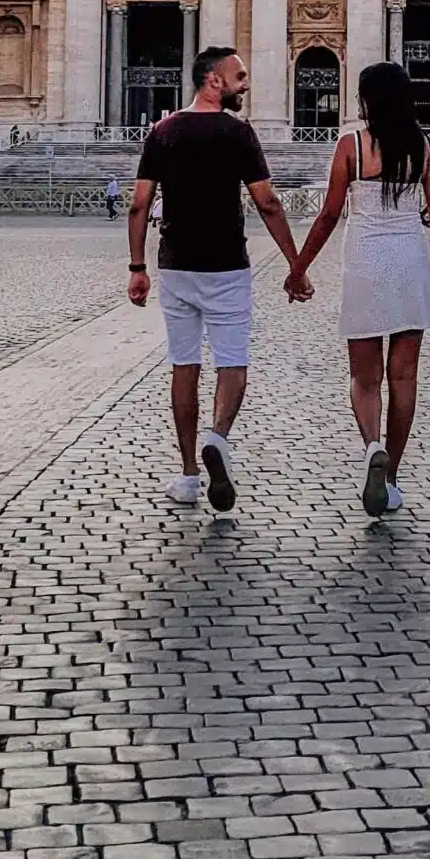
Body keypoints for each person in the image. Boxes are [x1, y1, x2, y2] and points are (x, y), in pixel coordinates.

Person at [128, 46, 305, 512]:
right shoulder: (238, 133)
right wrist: (295, 263)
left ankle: (188, 475)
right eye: (239, 77)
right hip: (226, 265)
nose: (245, 84)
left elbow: (139, 204)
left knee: (183, 367)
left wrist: (137, 268)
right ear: (213, 81)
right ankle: (218, 438)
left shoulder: (162, 132)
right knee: (232, 362)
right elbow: (267, 202)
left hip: (176, 265)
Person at [288, 62, 430, 518]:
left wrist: (298, 267)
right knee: (404, 378)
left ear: (365, 100)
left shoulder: (351, 147)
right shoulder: (424, 148)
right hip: (412, 263)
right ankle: (393, 474)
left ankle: (372, 446)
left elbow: (327, 216)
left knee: (365, 377)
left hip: (364, 262)